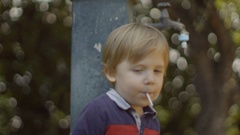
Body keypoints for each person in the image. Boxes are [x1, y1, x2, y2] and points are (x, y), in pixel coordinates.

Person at [71, 23, 169, 135]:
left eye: (157, 71)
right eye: (138, 70)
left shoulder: (153, 121)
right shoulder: (100, 111)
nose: (151, 79)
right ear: (112, 72)